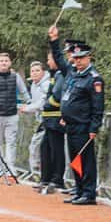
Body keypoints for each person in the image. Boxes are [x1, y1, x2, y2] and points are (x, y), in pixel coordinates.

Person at [49, 27, 105, 205]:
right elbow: (58, 59)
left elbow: (98, 106)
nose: (78, 61)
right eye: (76, 58)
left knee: (86, 160)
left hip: (84, 125)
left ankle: (89, 193)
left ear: (89, 57)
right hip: (70, 124)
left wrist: (94, 127)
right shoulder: (72, 73)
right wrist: (54, 41)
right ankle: (79, 189)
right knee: (75, 160)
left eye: (81, 58)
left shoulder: (94, 78)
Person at [0, 51, 29, 182]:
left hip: (12, 114)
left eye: (6, 61)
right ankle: (0, 168)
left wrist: (28, 104)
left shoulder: (15, 77)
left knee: (11, 143)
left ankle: (11, 168)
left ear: (10, 63)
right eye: (1, 61)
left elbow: (24, 92)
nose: (4, 63)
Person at [35, 51, 68, 195]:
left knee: (56, 150)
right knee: (45, 149)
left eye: (49, 59)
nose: (48, 63)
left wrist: (47, 104)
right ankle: (45, 178)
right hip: (48, 119)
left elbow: (57, 95)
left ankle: (57, 179)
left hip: (55, 118)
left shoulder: (61, 74)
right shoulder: (55, 74)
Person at [22, 60, 50, 178]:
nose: (34, 73)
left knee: (36, 145)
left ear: (43, 72)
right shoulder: (33, 84)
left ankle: (38, 172)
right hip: (41, 120)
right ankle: (39, 172)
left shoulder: (46, 84)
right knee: (38, 146)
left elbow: (42, 103)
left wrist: (28, 108)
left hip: (49, 119)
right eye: (32, 71)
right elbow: (35, 103)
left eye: (37, 70)